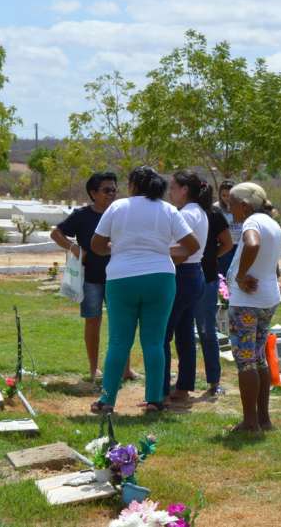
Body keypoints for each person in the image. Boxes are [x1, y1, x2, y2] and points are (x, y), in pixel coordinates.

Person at [89, 166, 199, 414]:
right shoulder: (168, 209)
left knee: (118, 341)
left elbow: (96, 244)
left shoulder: (118, 207)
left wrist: (117, 248)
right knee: (154, 342)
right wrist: (163, 253)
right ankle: (155, 399)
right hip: (160, 278)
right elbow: (191, 245)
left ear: (133, 185)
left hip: (121, 278)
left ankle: (107, 400)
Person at [50, 172, 137, 383]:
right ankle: (93, 369)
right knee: (93, 321)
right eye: (107, 190)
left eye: (114, 190)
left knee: (123, 323)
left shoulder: (121, 213)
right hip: (91, 278)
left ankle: (126, 369)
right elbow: (56, 233)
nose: (112, 194)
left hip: (119, 276)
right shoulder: (82, 215)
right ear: (93, 193)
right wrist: (74, 248)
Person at [225, 182, 281, 433]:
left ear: (245, 206)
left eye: (232, 206)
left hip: (248, 301)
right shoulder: (272, 223)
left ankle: (250, 422)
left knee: (246, 361)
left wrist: (240, 275)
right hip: (267, 298)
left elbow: (252, 244)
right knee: (258, 358)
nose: (231, 211)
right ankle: (263, 419)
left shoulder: (252, 223)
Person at [162, 171, 210, 405]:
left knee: (163, 334)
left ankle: (160, 388)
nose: (170, 192)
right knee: (184, 335)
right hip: (194, 274)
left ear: (184, 190)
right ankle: (183, 386)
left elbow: (181, 252)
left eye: (173, 187)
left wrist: (156, 253)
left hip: (182, 274)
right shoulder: (198, 212)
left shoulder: (186, 215)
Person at [198, 183, 233, 398]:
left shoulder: (214, 215)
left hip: (204, 278)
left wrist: (211, 257)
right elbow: (227, 244)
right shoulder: (209, 214)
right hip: (200, 277)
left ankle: (213, 380)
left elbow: (227, 243)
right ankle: (205, 382)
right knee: (200, 331)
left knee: (205, 330)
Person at [217, 180, 241, 278]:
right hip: (224, 246)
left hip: (239, 246)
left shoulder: (241, 207)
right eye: (224, 195)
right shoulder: (216, 208)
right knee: (224, 275)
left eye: (229, 195)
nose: (226, 198)